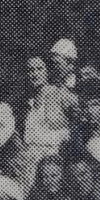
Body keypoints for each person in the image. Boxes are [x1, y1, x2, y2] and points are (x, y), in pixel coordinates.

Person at [19, 55, 73, 189]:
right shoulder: (29, 100)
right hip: (30, 163)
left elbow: (72, 127)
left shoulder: (58, 93)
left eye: (39, 68)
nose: (35, 73)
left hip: (52, 164)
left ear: (47, 71)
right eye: (31, 70)